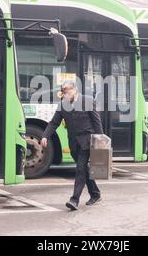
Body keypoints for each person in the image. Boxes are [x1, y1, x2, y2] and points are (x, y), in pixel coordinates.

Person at [41, 81, 104, 211]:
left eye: (68, 92)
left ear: (75, 90)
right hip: (73, 143)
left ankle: (74, 200)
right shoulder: (63, 105)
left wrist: (100, 141)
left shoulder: (87, 101)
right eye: (64, 92)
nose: (65, 95)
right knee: (83, 170)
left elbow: (96, 122)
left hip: (87, 141)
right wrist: (45, 136)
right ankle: (95, 194)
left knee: (80, 169)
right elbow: (54, 123)